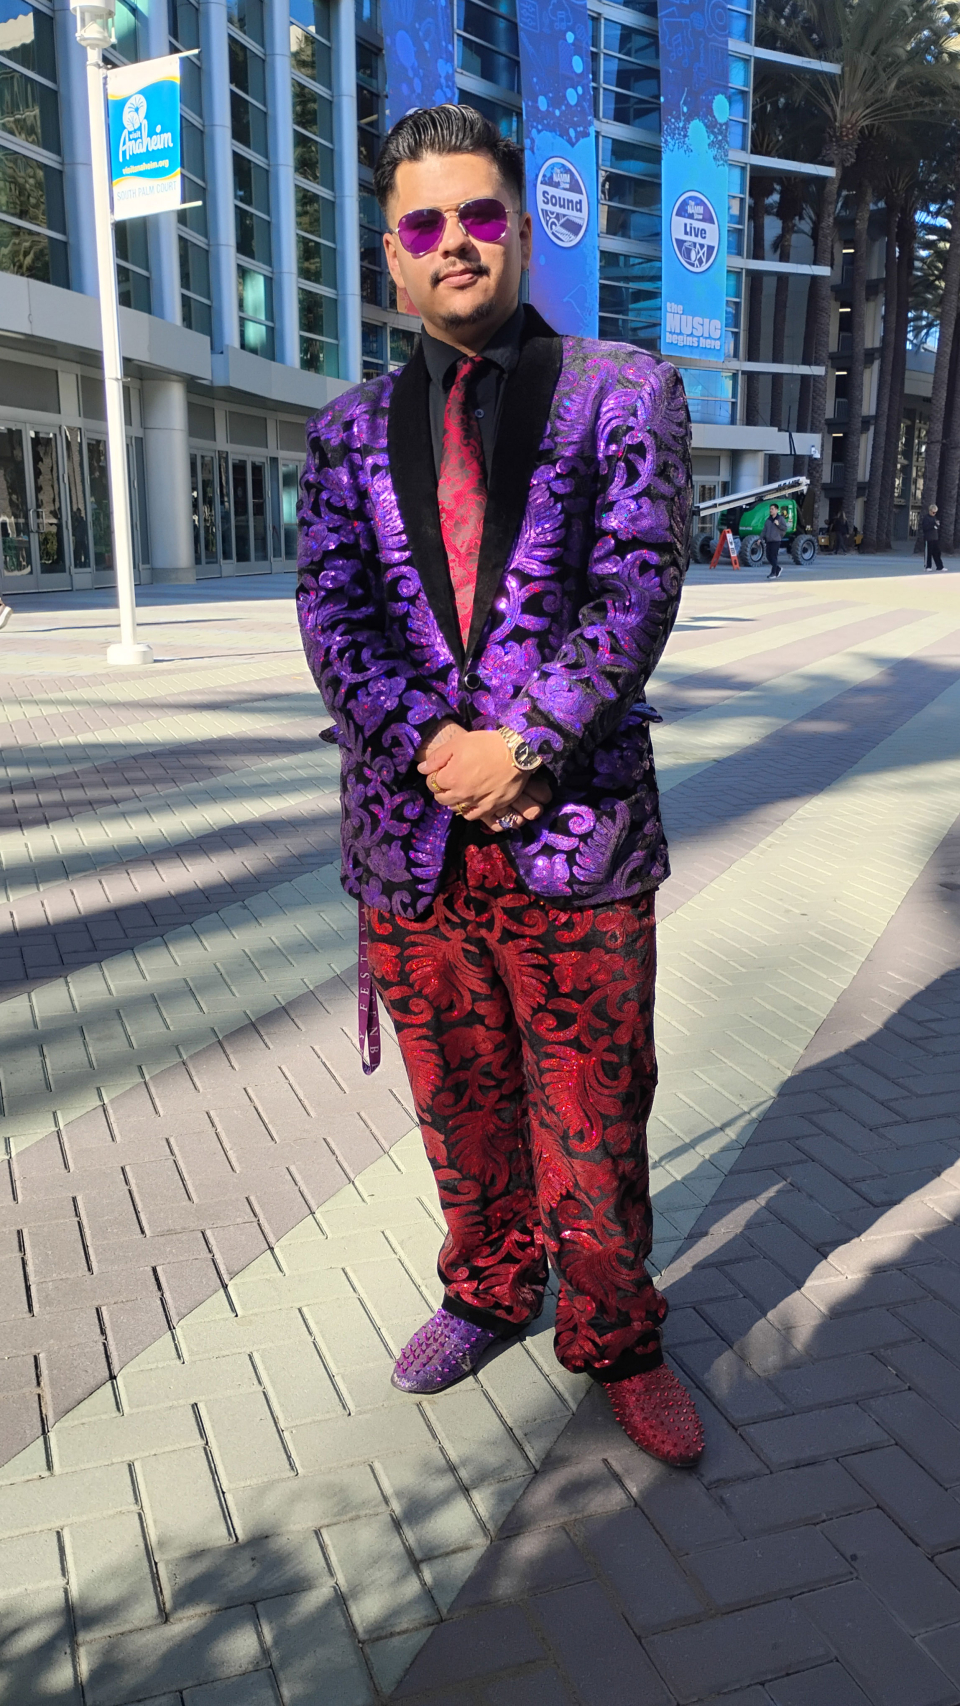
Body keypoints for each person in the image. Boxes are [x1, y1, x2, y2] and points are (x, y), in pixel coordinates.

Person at [296, 105, 704, 1468]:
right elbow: (334, 618)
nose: (456, 242)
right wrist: (440, 756)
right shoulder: (343, 435)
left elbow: (635, 588)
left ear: (521, 230)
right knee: (459, 1102)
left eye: (480, 215)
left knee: (594, 1116)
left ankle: (616, 1336)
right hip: (413, 850)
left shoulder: (621, 391)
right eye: (425, 224)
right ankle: (485, 1290)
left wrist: (521, 745)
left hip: (576, 837)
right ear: (391, 259)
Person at [763, 503, 788, 577]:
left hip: (776, 540)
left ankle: (773, 573)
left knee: (773, 556)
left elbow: (785, 528)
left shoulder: (780, 519)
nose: (771, 510)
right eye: (770, 509)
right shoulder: (768, 520)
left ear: (776, 510)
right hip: (769, 540)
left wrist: (778, 524)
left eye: (772, 509)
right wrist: (760, 538)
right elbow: (764, 530)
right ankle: (778, 568)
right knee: (768, 556)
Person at [921, 503, 945, 572]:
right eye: (933, 512)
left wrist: (937, 525)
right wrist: (933, 526)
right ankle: (928, 566)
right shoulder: (926, 518)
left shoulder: (935, 518)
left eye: (935, 512)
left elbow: (936, 527)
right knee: (929, 553)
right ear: (930, 510)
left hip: (935, 538)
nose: (934, 513)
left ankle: (940, 566)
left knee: (937, 553)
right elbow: (925, 528)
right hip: (928, 538)